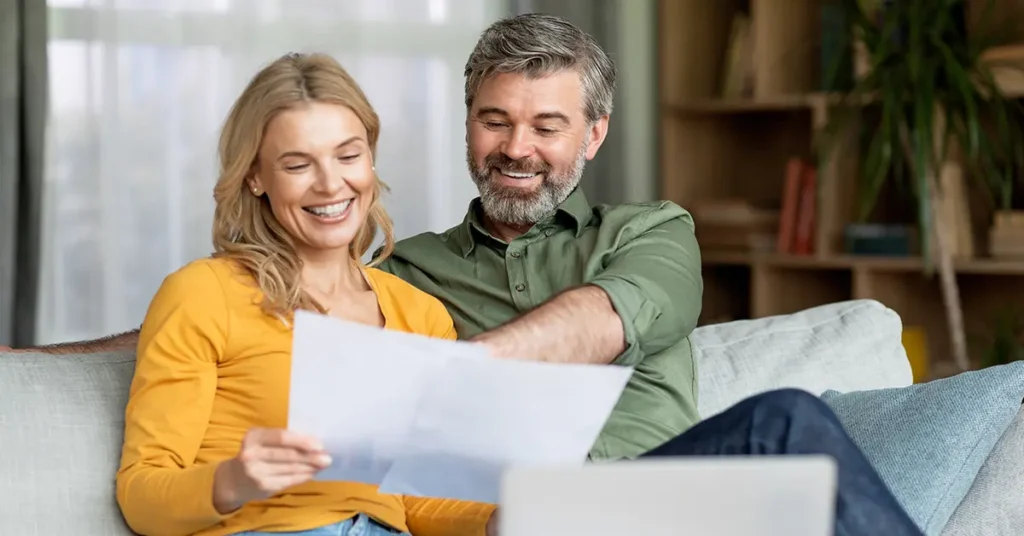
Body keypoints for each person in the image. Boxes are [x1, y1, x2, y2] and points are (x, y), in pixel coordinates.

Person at [11, 14, 924, 536]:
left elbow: (599, 325)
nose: (516, 147)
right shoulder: (283, 287)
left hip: (623, 504)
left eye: (349, 154)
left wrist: (473, 407)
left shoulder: (632, 238)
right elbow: (175, 425)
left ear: (593, 135)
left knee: (789, 426)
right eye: (496, 120)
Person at [113, 53, 492, 536]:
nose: (331, 183)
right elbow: (142, 496)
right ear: (255, 177)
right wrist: (235, 479)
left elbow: (420, 499)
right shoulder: (203, 294)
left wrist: (501, 519)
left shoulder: (420, 314)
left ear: (370, 160)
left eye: (348, 156)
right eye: (297, 164)